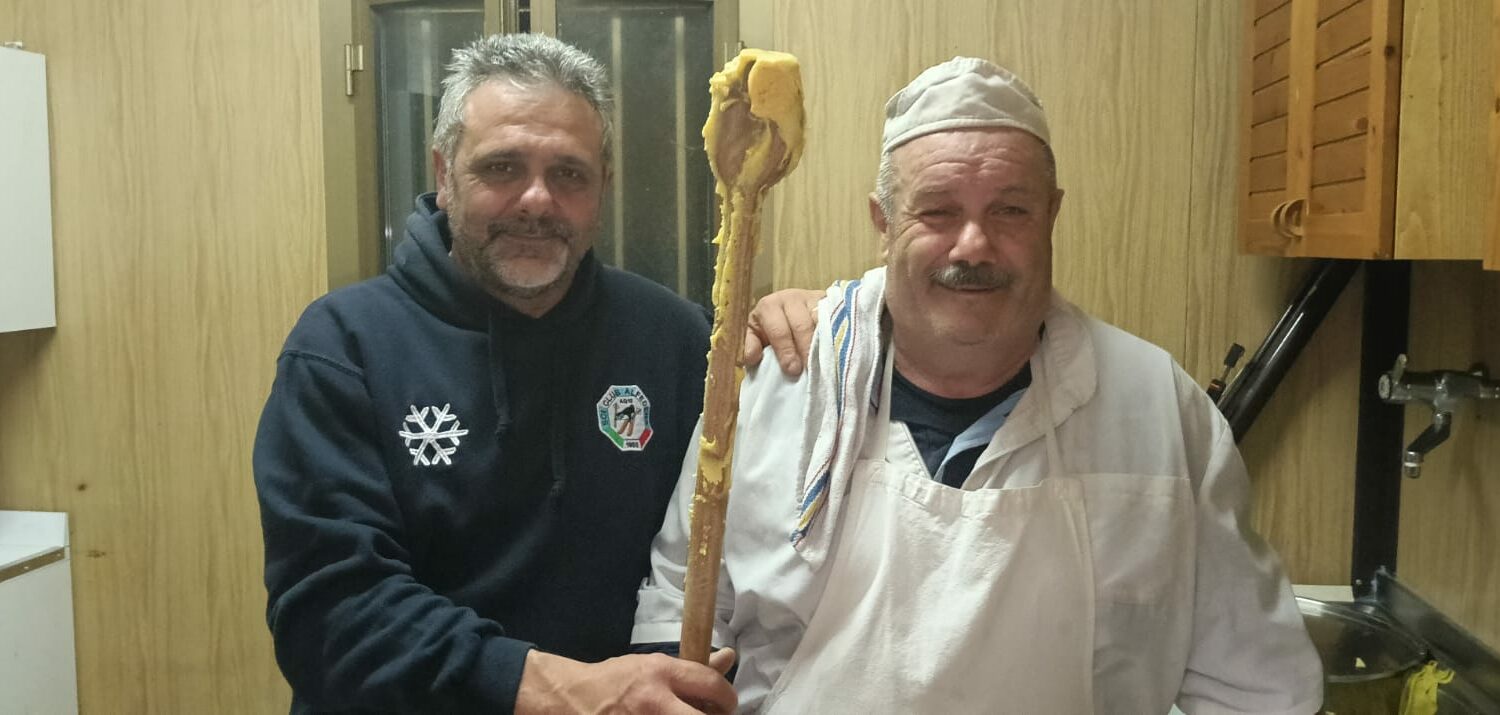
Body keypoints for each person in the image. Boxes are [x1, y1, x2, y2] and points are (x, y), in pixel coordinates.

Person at [633, 57, 1324, 713]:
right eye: (936, 210)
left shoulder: (1160, 413)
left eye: (1010, 210)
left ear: (1052, 215)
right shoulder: (778, 386)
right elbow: (679, 606)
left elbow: (1255, 687)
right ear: (883, 224)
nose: (973, 245)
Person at [254, 33, 806, 714]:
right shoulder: (343, 348)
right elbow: (330, 616)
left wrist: (814, 330)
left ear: (603, 185)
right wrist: (566, 690)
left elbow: (738, 553)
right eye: (502, 167)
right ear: (444, 174)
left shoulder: (679, 340)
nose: (537, 200)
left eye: (569, 173)